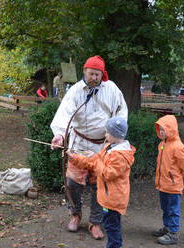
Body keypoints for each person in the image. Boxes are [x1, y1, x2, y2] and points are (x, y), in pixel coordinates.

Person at [50, 55, 128, 240]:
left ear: (103, 74)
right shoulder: (76, 91)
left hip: (102, 146)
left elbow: (121, 113)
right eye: (91, 73)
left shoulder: (112, 89)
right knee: (72, 184)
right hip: (79, 143)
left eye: (97, 74)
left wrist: (116, 136)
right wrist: (60, 135)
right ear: (85, 72)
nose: (94, 77)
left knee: (98, 185)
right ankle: (75, 214)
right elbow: (64, 113)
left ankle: (95, 222)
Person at [67, 116, 135, 248]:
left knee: (112, 228)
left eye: (107, 132)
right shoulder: (109, 147)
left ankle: (114, 246)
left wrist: (97, 161)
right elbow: (94, 160)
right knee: (110, 225)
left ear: (115, 135)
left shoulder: (120, 156)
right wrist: (75, 158)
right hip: (107, 198)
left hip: (113, 200)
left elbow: (107, 173)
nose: (105, 134)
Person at [152, 115, 184, 245]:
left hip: (174, 186)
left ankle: (173, 234)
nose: (161, 132)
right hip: (163, 184)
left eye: (164, 129)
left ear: (172, 129)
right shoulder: (162, 144)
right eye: (160, 129)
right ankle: (167, 228)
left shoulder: (178, 147)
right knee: (165, 208)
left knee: (173, 210)